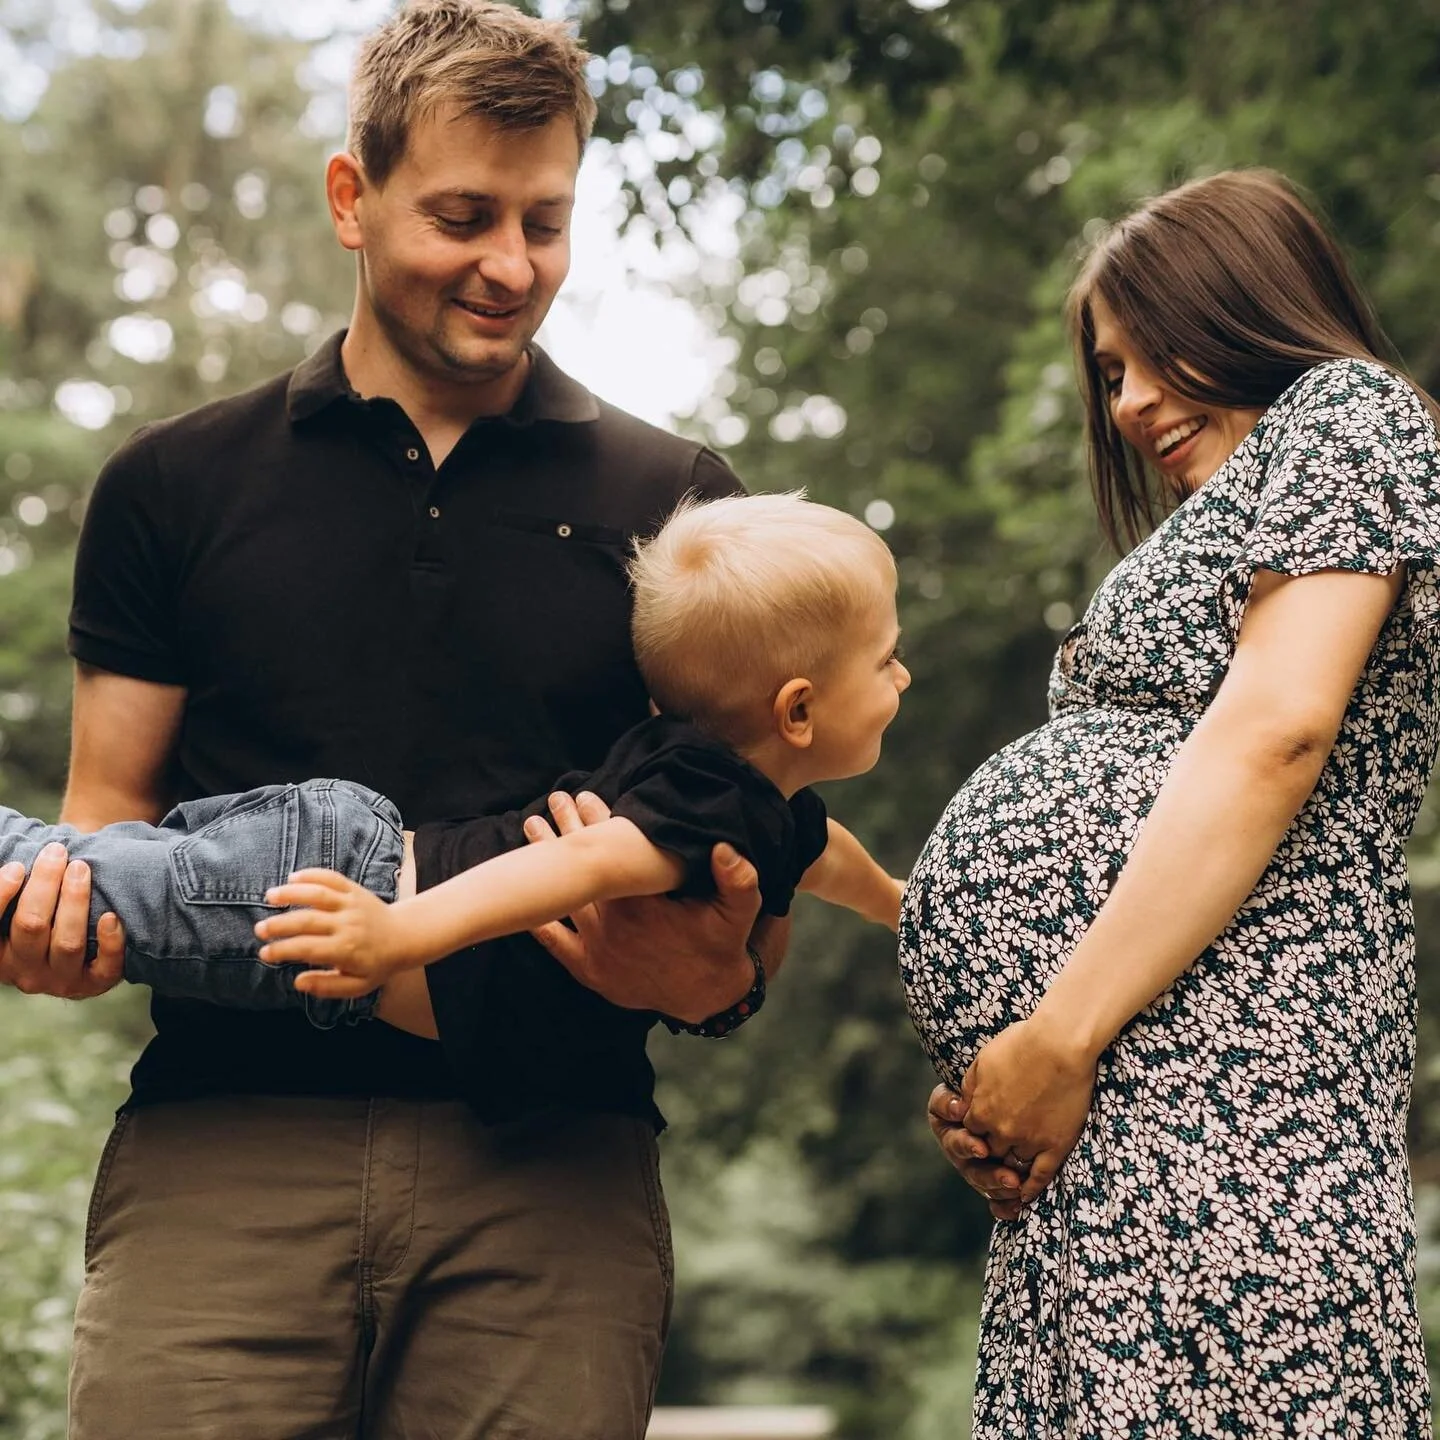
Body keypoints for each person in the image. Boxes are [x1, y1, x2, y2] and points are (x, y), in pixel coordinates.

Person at [0, 3, 814, 1435]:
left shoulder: (680, 502)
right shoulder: (168, 487)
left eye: (546, 222)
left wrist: (719, 975)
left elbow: (751, 864)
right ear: (351, 199)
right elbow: (105, 824)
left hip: (552, 1179)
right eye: (463, 215)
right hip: (220, 1155)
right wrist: (56, 944)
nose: (512, 266)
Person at [902, 168, 1440, 1437]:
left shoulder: (1348, 414)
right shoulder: (1230, 518)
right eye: (1110, 372)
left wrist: (1055, 1036)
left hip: (1242, 1097)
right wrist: (1002, 1070)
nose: (1130, 402)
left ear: (1250, 307)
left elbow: (1276, 735)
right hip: (1117, 1114)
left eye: (1158, 355)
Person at [0, 496, 908, 1031]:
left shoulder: (765, 812)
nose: (903, 673)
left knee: (74, 872)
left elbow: (834, 864)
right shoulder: (699, 807)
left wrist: (912, 909)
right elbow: (578, 862)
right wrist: (401, 933)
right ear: (796, 710)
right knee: (60, 884)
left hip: (341, 865)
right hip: (353, 893)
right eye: (886, 659)